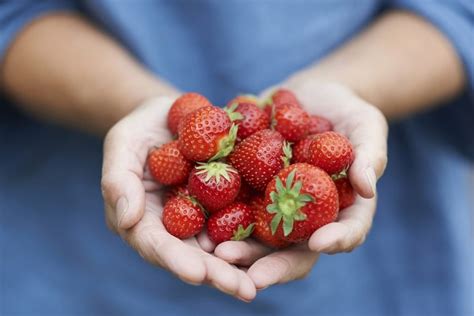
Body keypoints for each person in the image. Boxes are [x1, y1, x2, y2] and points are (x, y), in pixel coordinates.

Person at [0, 1, 472, 315]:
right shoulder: (240, 155)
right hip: (68, 260)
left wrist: (354, 88)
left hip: (386, 277)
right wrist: (131, 101)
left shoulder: (275, 159)